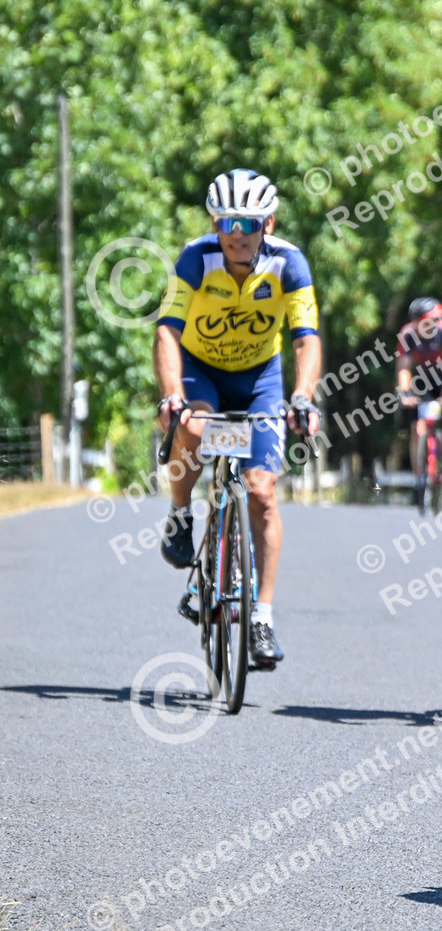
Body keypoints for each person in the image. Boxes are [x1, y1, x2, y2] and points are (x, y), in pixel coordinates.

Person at [155, 168, 323, 666]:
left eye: (248, 223)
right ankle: (180, 515)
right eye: (227, 222)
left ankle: (262, 617)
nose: (237, 234)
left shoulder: (289, 263)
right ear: (215, 223)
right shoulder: (195, 258)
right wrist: (171, 395)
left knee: (262, 493)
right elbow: (167, 331)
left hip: (259, 381)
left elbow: (305, 338)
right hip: (201, 372)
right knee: (192, 426)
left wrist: (303, 396)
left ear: (267, 223)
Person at [397, 296, 442, 469]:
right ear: (416, 322)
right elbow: (403, 367)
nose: (435, 324)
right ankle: (418, 475)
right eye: (430, 321)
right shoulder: (407, 334)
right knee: (417, 428)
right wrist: (405, 391)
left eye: (437, 320)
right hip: (422, 377)